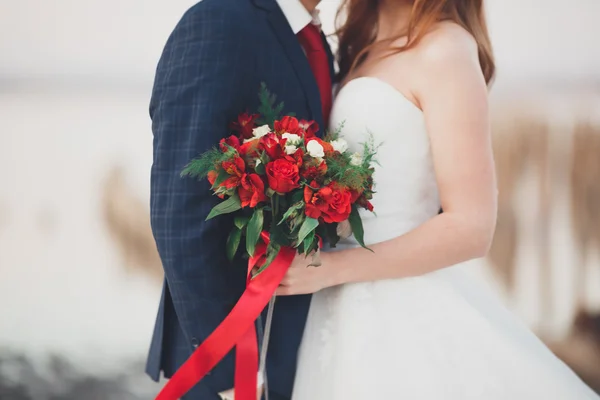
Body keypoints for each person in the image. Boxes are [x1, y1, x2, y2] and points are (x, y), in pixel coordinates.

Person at [278, 0, 600, 399]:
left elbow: (471, 227)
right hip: (328, 304)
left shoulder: (445, 48)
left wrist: (330, 268)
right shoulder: (357, 41)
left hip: (396, 303)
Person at [147, 0, 332, 398]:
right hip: (231, 353)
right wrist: (232, 372)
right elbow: (179, 208)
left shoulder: (316, 42)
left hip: (308, 342)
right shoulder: (217, 21)